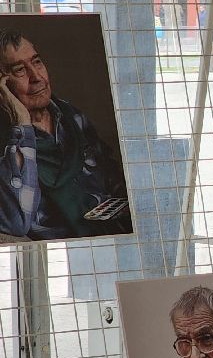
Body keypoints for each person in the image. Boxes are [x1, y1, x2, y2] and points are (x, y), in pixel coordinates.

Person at [0, 30, 131, 241]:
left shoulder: (72, 117)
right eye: (19, 70)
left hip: (113, 234)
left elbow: (110, 171)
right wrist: (22, 125)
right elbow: (17, 221)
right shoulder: (7, 142)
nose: (37, 77)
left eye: (38, 62)